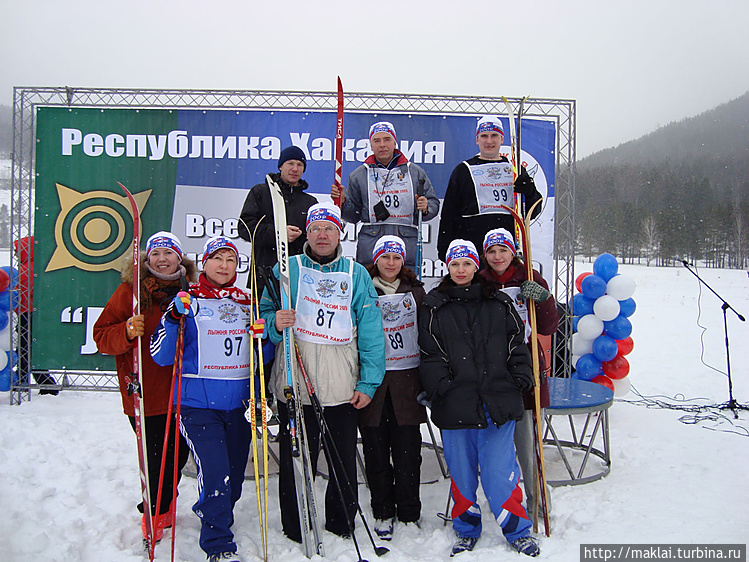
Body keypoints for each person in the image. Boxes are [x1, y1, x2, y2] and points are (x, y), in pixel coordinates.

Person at [258, 202, 385, 543]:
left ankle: (341, 522)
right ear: (307, 234)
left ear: (339, 233)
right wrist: (273, 322)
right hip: (294, 382)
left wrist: (369, 382)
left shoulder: (355, 273)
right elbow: (263, 313)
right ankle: (296, 523)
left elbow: (371, 330)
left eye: (329, 228)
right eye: (315, 229)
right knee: (297, 459)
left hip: (341, 384)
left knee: (342, 458)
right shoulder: (288, 268)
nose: (322, 235)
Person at [419, 239, 541, 557]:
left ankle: (517, 529)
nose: (461, 270)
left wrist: (520, 378)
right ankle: (466, 527)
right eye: (455, 264)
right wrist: (441, 387)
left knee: (500, 472)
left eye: (467, 263)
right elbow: (430, 353)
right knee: (462, 473)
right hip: (455, 403)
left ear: (477, 266)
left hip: (497, 401)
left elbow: (517, 344)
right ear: (448, 267)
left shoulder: (498, 302)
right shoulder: (435, 305)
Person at [150, 236, 254, 562]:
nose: (224, 267)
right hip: (198, 406)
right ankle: (218, 544)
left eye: (231, 261)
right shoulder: (187, 300)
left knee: (234, 479)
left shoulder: (245, 302)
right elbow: (161, 356)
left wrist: (263, 338)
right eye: (218, 259)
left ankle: (218, 512)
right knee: (215, 474)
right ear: (204, 263)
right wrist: (171, 319)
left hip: (238, 407)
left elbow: (259, 358)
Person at [93, 231, 195, 543]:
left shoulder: (190, 290)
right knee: (154, 461)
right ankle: (155, 514)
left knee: (176, 458)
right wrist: (125, 330)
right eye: (156, 254)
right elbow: (101, 336)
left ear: (180, 259)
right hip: (146, 393)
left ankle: (163, 502)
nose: (162, 260)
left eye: (169, 253)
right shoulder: (131, 292)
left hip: (184, 392)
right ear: (146, 259)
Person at [479, 228, 559, 521]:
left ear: (513, 251)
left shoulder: (529, 277)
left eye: (503, 250)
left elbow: (549, 326)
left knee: (528, 447)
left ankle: (538, 502)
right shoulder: (480, 281)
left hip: (526, 369)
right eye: (492, 251)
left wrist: (544, 298)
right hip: (492, 372)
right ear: (485, 255)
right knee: (494, 449)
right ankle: (500, 500)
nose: (498, 256)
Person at [359, 235, 427, 540]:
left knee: (408, 452)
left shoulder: (416, 291)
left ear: (403, 261)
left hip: (407, 385)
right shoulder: (363, 288)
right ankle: (383, 511)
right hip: (373, 384)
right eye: (385, 257)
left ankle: (410, 512)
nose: (390, 263)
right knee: (376, 452)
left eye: (396, 257)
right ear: (376, 259)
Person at [332, 121, 440, 269]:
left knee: (406, 289)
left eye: (387, 139)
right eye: (377, 140)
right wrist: (343, 202)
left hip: (406, 244)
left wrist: (426, 207)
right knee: (369, 289)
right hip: (371, 245)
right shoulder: (359, 175)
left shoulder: (414, 172)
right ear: (370, 145)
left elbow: (433, 202)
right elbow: (352, 216)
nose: (382, 144)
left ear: (394, 142)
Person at [437, 116, 543, 261]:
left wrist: (529, 191)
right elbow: (449, 213)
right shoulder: (463, 170)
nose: (489, 141)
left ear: (501, 139)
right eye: (484, 136)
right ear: (477, 140)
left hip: (505, 249)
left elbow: (533, 211)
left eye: (494, 136)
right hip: (474, 249)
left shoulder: (515, 170)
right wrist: (445, 248)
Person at [237, 145, 319, 296]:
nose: (295, 169)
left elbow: (315, 240)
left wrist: (301, 238)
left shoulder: (310, 202)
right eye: (290, 163)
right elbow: (245, 228)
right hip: (264, 279)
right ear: (280, 166)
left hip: (300, 279)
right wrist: (278, 234)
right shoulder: (261, 192)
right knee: (263, 320)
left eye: (300, 165)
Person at [13, 236, 58, 394]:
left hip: (28, 314)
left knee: (25, 348)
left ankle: (31, 381)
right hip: (37, 314)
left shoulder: (26, 271)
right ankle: (34, 380)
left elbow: (19, 294)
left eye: (17, 251)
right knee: (31, 348)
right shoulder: (40, 267)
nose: (16, 255)